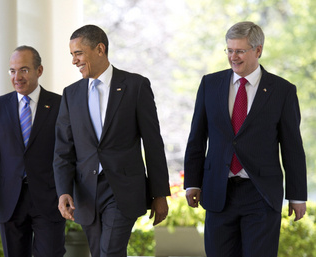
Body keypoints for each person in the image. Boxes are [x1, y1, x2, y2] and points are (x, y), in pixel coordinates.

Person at [184, 21, 307, 257]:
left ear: (258, 50)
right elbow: (197, 137)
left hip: (261, 194)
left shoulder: (282, 90)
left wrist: (297, 195)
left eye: (240, 51)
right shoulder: (210, 84)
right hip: (219, 191)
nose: (233, 57)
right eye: (229, 50)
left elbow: (292, 147)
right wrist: (192, 181)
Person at [53, 24, 171, 257]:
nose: (74, 61)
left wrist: (159, 194)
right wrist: (63, 190)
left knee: (110, 252)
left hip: (123, 190)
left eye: (78, 53)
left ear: (99, 49)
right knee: (99, 253)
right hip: (86, 192)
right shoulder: (71, 94)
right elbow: (63, 149)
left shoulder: (136, 86)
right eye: (72, 55)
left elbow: (153, 143)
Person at [0, 45, 65, 257]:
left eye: (24, 70)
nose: (17, 77)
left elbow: (68, 152)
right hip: (10, 199)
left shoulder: (60, 105)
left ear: (39, 71)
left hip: (49, 198)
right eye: (12, 71)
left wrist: (70, 191)